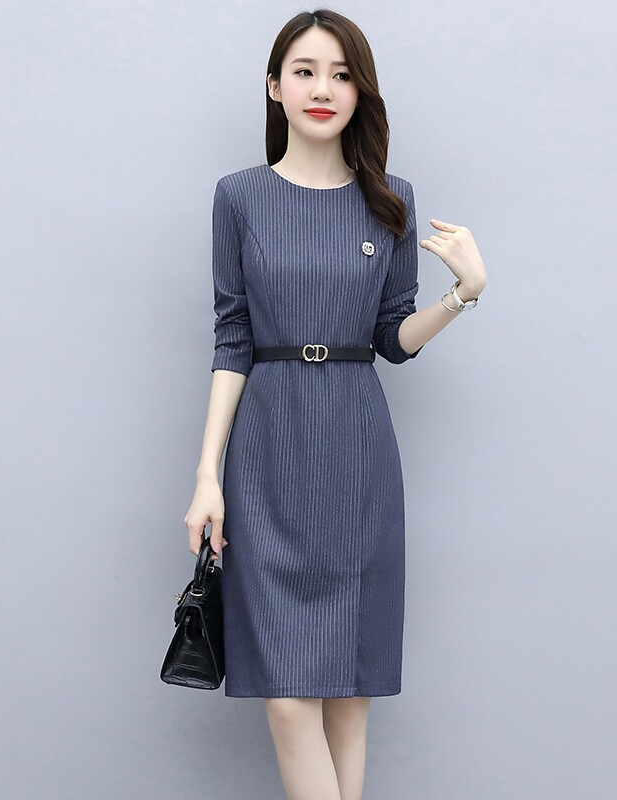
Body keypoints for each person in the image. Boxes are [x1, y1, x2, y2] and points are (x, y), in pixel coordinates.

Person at [183, 8, 487, 799]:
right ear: (274, 87)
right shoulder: (239, 197)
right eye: (307, 71)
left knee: (350, 696)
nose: (324, 89)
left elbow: (393, 338)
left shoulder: (391, 200)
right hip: (267, 453)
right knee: (290, 702)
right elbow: (231, 338)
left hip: (356, 452)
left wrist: (464, 293)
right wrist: (207, 476)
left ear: (361, 92)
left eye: (343, 75)